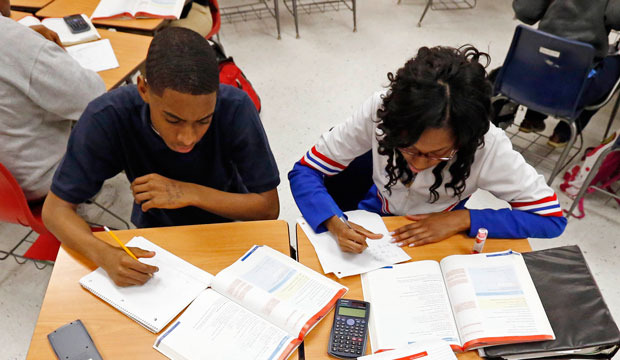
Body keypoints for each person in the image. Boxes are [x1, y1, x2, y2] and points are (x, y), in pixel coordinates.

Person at [42, 27, 280, 286]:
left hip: (229, 221)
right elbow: (55, 211)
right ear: (143, 88)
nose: (187, 137)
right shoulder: (108, 116)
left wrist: (188, 192)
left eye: (204, 121)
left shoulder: (236, 107)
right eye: (173, 120)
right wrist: (104, 254)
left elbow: (267, 208)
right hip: (156, 229)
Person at [289, 46, 567, 254]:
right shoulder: (380, 110)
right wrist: (332, 220)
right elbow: (306, 169)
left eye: (438, 154)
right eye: (408, 149)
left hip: (438, 231)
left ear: (465, 141)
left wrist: (463, 218)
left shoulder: (488, 144)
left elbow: (551, 219)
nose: (418, 165)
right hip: (374, 218)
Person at [0, 1, 105, 202]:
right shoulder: (16, 43)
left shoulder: (15, 40)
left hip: (5, 187)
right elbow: (94, 99)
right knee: (124, 110)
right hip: (38, 182)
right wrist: (43, 51)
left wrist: (24, 36)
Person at [512, 0, 620, 147]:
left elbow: (526, 10)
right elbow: (616, 18)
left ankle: (532, 117)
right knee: (615, 64)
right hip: (575, 88)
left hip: (527, 77)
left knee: (551, 55)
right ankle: (563, 132)